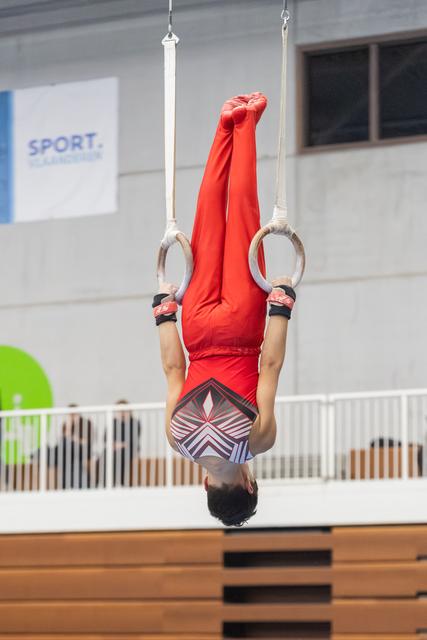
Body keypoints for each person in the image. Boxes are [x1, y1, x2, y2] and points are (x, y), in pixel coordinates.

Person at [154, 93, 295, 526]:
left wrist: (281, 307)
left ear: (249, 484)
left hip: (241, 327)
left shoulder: (257, 440)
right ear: (206, 487)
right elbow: (174, 370)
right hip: (195, 327)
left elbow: (269, 365)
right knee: (208, 222)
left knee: (245, 221)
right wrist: (164, 312)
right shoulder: (178, 440)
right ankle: (224, 124)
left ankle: (247, 120)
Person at [49, 404, 94, 489]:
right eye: (70, 414)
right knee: (64, 447)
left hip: (82, 450)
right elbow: (64, 439)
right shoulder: (66, 424)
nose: (72, 416)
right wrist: (69, 426)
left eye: (74, 414)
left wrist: (73, 439)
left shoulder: (86, 423)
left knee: (65, 446)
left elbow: (86, 442)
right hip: (68, 452)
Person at [111, 399, 141, 486]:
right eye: (120, 411)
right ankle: (107, 482)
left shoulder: (134, 422)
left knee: (121, 455)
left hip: (130, 449)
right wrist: (114, 445)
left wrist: (121, 445)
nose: (122, 413)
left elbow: (133, 438)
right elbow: (106, 438)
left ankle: (121, 483)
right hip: (115, 449)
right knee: (106, 454)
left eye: (124, 410)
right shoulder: (114, 422)